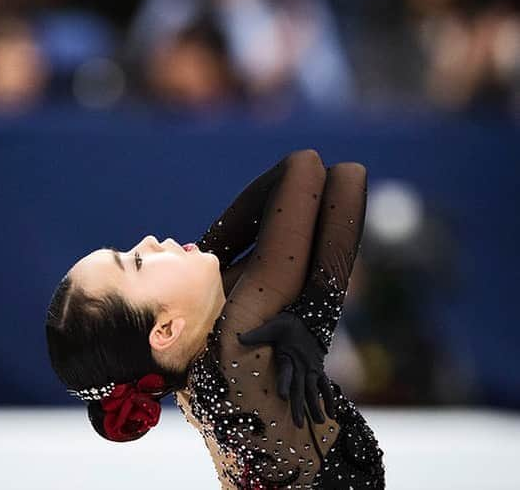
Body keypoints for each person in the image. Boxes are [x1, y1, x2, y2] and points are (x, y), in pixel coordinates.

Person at [46, 150, 384, 488]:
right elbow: (309, 168)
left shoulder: (197, 359)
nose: (148, 242)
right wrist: (316, 318)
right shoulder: (238, 346)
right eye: (136, 262)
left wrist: (200, 258)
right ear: (165, 330)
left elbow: (339, 180)